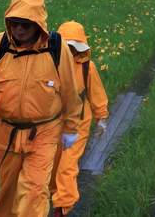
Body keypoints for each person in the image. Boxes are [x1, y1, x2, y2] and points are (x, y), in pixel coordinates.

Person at [0, 0, 81, 217]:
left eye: (26, 24)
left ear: (39, 24)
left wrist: (72, 128)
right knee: (8, 194)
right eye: (14, 23)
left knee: (34, 193)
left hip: (44, 133)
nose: (19, 29)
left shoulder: (56, 47)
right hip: (6, 134)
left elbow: (70, 91)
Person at [50, 21, 109, 217]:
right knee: (52, 164)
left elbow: (96, 93)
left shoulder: (87, 67)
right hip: (50, 124)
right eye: (65, 45)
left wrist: (101, 118)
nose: (69, 49)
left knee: (67, 166)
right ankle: (51, 195)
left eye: (73, 46)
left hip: (78, 124)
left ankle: (61, 208)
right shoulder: (48, 64)